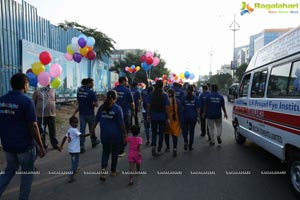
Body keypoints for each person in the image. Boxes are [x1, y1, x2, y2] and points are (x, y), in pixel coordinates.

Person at [0, 73, 46, 200]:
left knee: (9, 170)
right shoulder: (26, 101)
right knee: (26, 173)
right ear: (25, 85)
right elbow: (34, 126)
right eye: (27, 84)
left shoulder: (2, 100)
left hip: (8, 145)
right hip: (24, 146)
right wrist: (41, 146)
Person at [91, 90, 127, 181]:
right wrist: (125, 133)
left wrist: (92, 130)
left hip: (105, 135)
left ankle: (103, 172)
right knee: (115, 152)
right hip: (116, 135)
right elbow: (121, 124)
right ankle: (113, 171)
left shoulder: (102, 107)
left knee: (105, 152)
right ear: (115, 98)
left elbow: (96, 121)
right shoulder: (117, 108)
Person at [59, 116, 91, 183]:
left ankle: (75, 169)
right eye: (74, 123)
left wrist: (61, 146)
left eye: (77, 123)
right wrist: (89, 134)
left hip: (71, 150)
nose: (76, 124)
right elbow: (82, 136)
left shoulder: (69, 130)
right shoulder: (75, 130)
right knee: (75, 163)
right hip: (75, 150)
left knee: (75, 160)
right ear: (70, 123)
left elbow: (64, 138)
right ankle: (71, 176)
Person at [72, 78, 99, 153]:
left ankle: (81, 146)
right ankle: (93, 142)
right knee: (92, 128)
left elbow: (79, 103)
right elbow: (96, 104)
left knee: (82, 130)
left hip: (82, 114)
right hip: (90, 114)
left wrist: (74, 113)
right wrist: (92, 104)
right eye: (92, 83)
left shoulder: (79, 92)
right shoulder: (91, 92)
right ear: (88, 84)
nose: (93, 84)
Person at [147, 80, 170, 156]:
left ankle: (153, 146)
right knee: (161, 133)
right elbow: (167, 107)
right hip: (162, 117)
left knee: (153, 132)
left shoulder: (151, 94)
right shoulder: (165, 95)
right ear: (162, 86)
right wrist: (168, 117)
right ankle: (159, 148)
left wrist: (148, 115)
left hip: (153, 116)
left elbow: (148, 106)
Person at [32, 85, 59, 150]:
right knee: (42, 131)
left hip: (51, 115)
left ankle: (54, 144)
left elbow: (54, 100)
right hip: (41, 115)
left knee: (52, 130)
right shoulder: (37, 91)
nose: (48, 84)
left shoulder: (53, 90)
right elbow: (33, 103)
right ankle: (43, 145)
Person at [114, 76, 135, 157]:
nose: (127, 82)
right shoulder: (127, 90)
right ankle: (121, 150)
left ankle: (116, 147)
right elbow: (132, 103)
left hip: (114, 114)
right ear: (123, 81)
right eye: (126, 81)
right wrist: (134, 111)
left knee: (116, 130)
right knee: (124, 131)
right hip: (125, 114)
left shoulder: (114, 90)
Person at [164, 88, 183, 157]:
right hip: (175, 120)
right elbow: (180, 112)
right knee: (174, 135)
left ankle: (167, 147)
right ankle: (174, 149)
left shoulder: (166, 100)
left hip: (167, 120)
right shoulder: (177, 101)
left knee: (166, 134)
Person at [182, 85, 200, 151]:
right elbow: (198, 109)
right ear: (193, 90)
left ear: (187, 90)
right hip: (193, 117)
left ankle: (186, 142)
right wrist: (198, 117)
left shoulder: (184, 98)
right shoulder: (196, 98)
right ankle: (190, 146)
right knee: (192, 132)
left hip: (185, 116)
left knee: (185, 131)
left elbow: (182, 108)